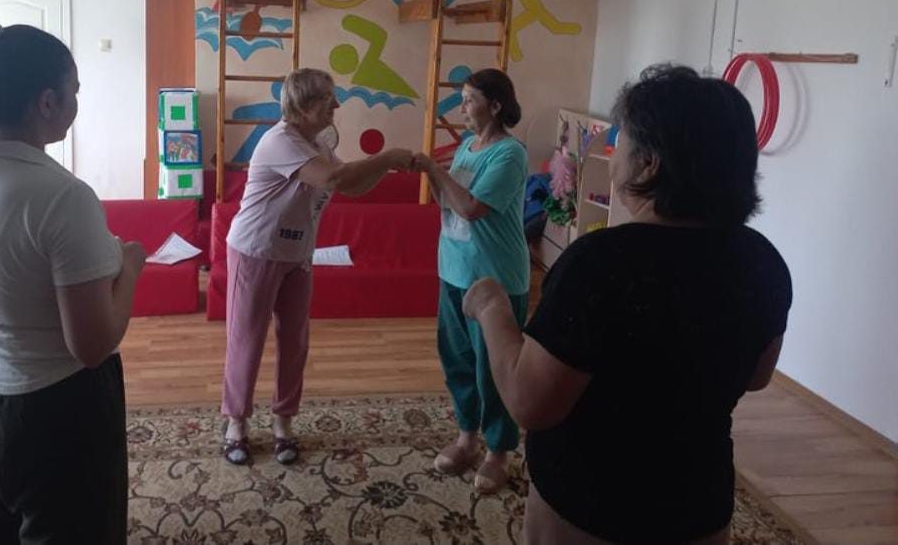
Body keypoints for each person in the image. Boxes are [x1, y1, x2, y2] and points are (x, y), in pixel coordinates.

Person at [464, 65, 793, 544]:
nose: (613, 154)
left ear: (649, 163)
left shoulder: (600, 263)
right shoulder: (762, 260)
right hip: (698, 505)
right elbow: (757, 376)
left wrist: (491, 307)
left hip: (592, 507)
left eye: (621, 141)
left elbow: (529, 403)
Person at [0, 17, 146, 544]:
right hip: (54, 410)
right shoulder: (64, 197)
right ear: (47, 102)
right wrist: (130, 270)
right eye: (74, 91)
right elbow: (91, 346)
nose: (77, 103)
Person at [221, 67, 413, 465]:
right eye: (328, 99)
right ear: (304, 105)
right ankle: (236, 423)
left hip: (297, 254)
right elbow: (335, 179)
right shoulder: (280, 140)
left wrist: (386, 166)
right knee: (247, 339)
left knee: (295, 342)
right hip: (256, 250)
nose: (336, 105)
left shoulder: (317, 143)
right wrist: (387, 156)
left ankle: (283, 421)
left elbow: (352, 185)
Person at [411, 67, 529, 494]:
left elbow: (472, 208)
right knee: (458, 361)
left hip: (495, 280)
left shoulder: (510, 154)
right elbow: (447, 201)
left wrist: (433, 166)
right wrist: (431, 174)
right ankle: (467, 437)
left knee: (494, 369)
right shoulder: (466, 147)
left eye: (469, 100)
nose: (461, 107)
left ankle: (498, 451)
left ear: (494, 106)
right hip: (454, 271)